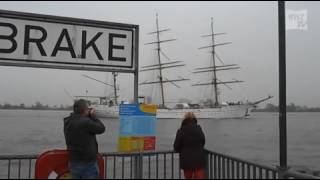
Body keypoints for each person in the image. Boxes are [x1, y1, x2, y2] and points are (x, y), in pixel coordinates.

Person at [64, 99, 106, 179]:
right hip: (88, 164)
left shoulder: (67, 121)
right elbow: (101, 128)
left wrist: (87, 115)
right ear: (85, 110)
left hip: (73, 162)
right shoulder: (86, 122)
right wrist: (93, 117)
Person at [174, 112, 206, 179]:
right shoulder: (199, 129)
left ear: (184, 119)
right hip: (199, 160)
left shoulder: (181, 130)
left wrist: (182, 149)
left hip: (187, 161)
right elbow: (203, 141)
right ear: (194, 119)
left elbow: (176, 146)